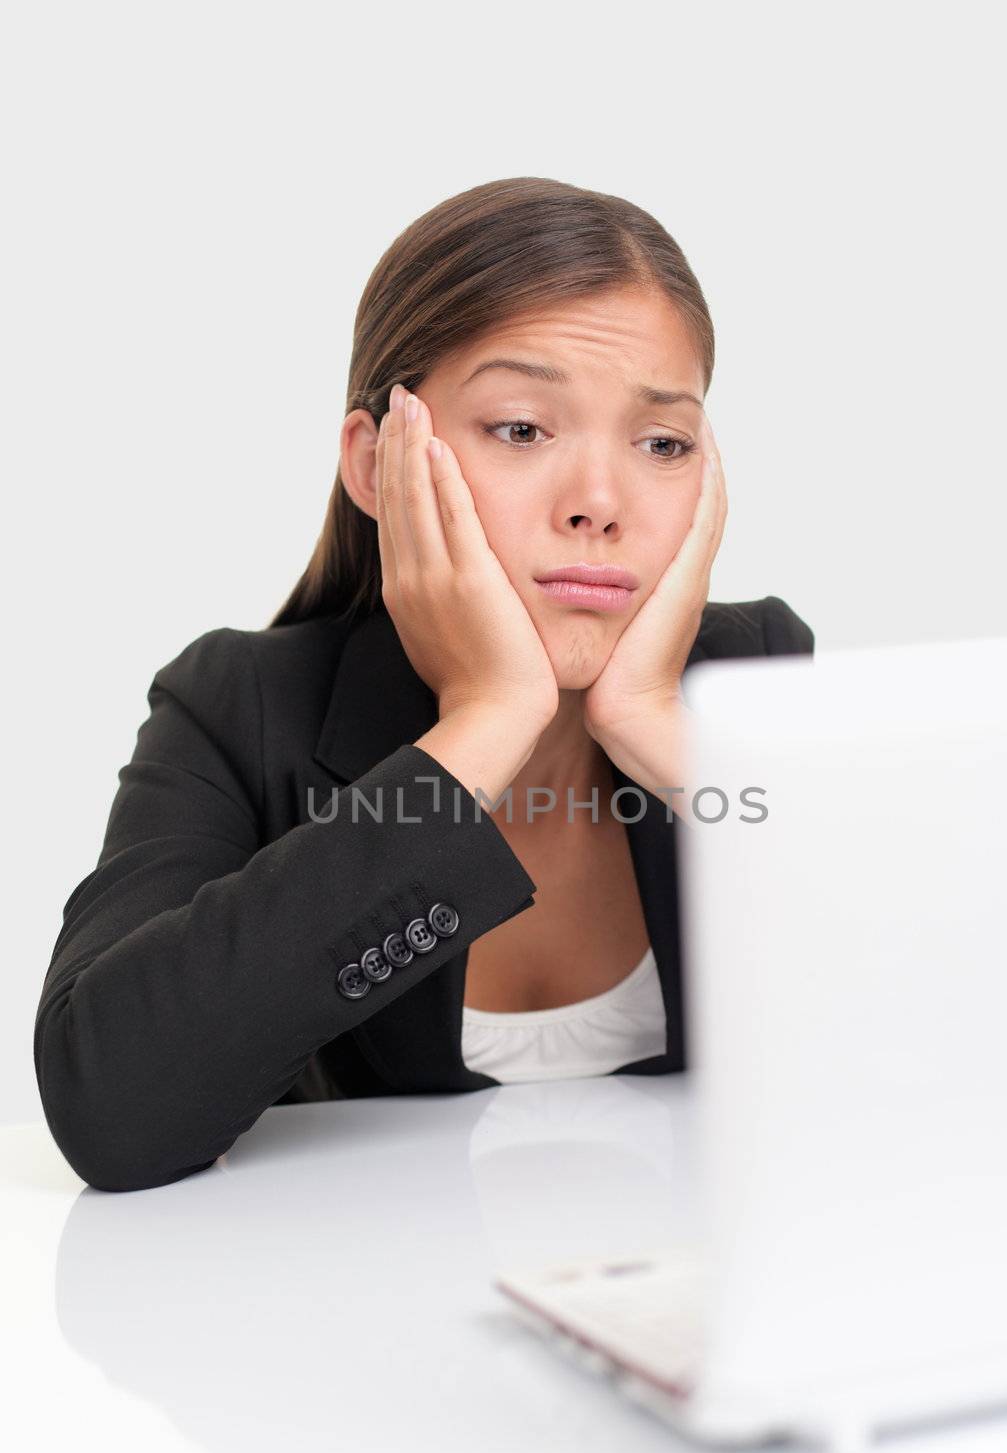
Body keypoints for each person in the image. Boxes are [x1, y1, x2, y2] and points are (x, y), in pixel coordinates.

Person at [33, 175, 814, 1193]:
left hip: (697, 1319)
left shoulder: (750, 680)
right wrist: (482, 725)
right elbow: (114, 1111)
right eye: (523, 429)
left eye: (660, 443)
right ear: (374, 462)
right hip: (361, 1333)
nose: (598, 503)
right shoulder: (239, 705)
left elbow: (965, 1037)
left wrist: (667, 737)